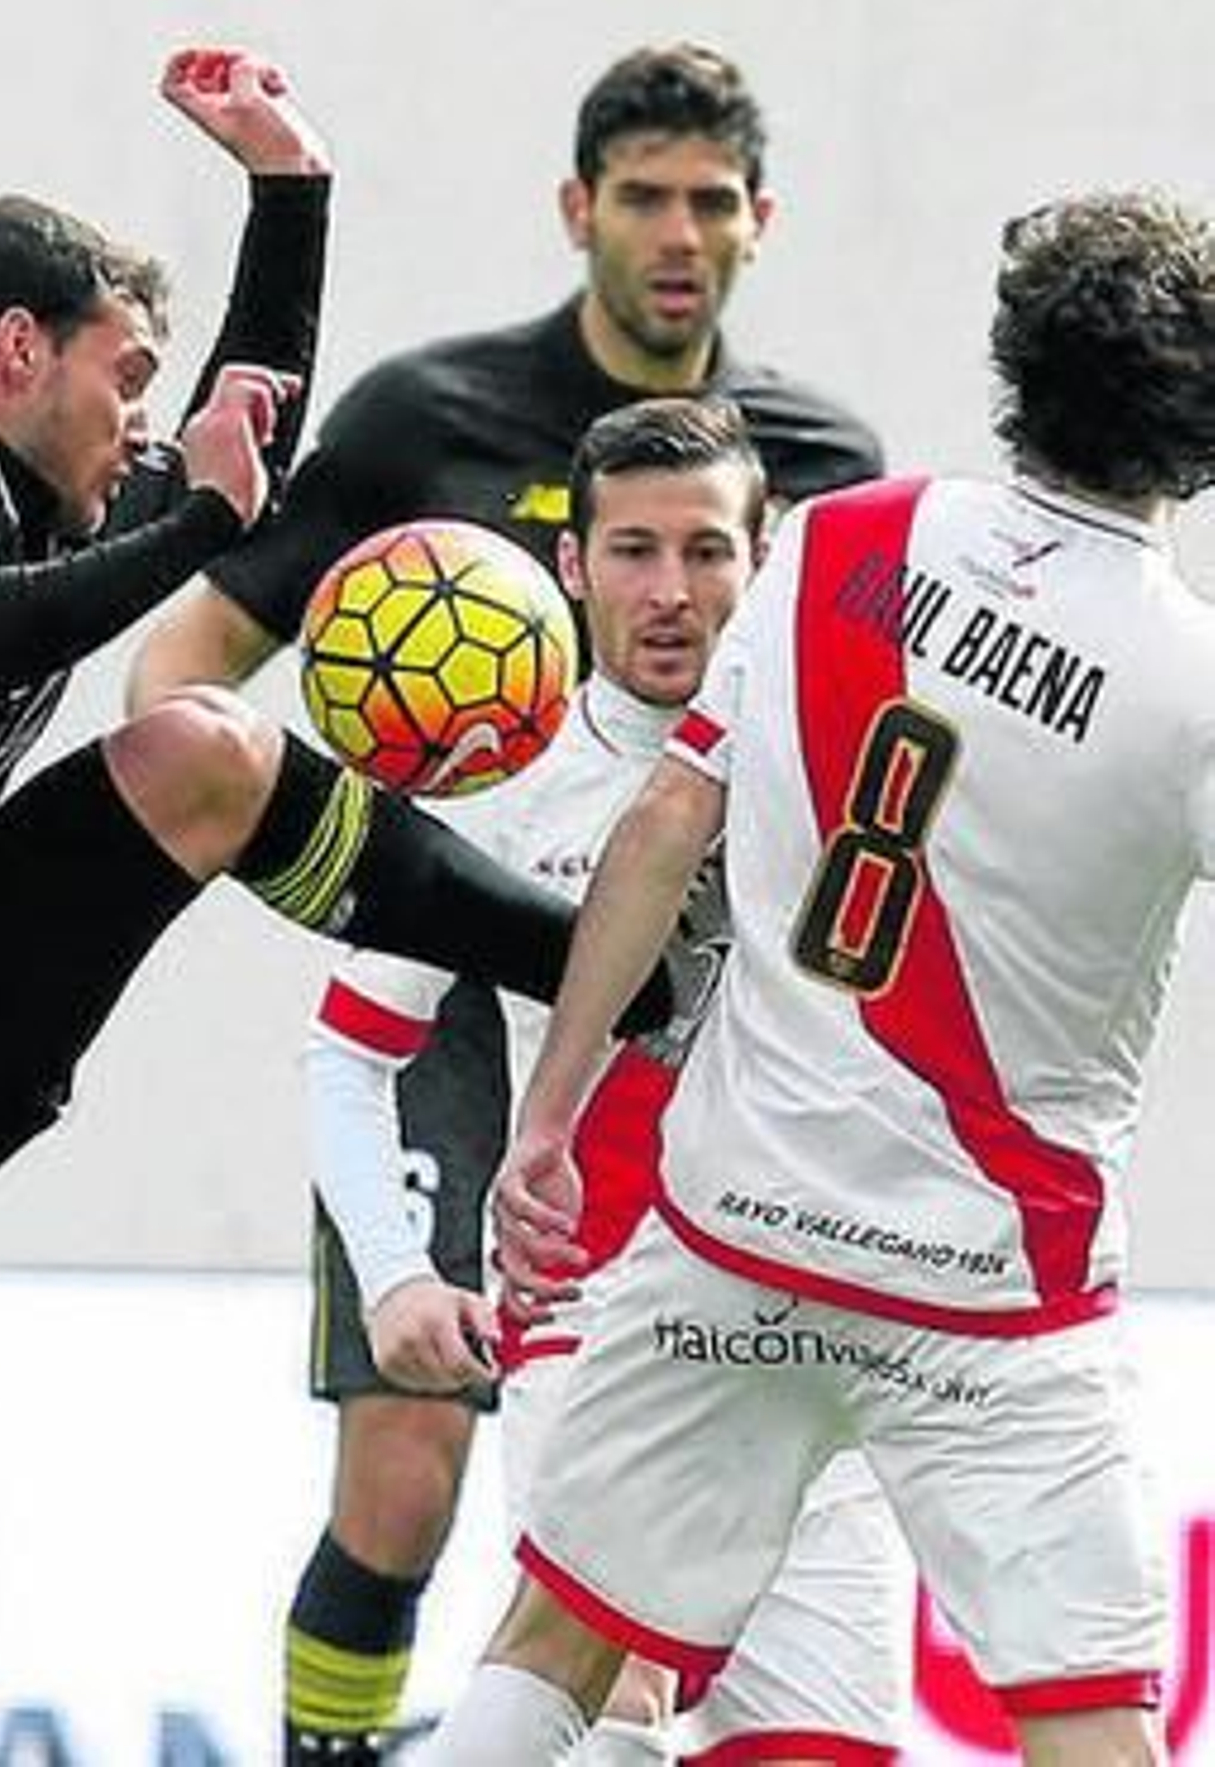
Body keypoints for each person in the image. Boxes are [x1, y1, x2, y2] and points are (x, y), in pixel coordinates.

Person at [0, 49, 680, 1767]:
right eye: (123, 378)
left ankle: (629, 981)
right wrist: (191, 527)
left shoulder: (50, 501)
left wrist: (294, 193)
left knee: (203, 751)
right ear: (15, 351)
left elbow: (240, 445)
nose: (143, 421)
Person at [126, 40, 884, 1766]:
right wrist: (321, 859)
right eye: (645, 199)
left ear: (759, 223)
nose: (677, 234)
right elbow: (189, 664)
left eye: (709, 201)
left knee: (699, 1639)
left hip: (708, 1068)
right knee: (408, 1464)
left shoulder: (821, 455)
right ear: (578, 210)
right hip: (465, 967)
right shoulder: (429, 416)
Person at [423, 187, 1215, 1766]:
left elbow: (666, 821)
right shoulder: (1187, 681)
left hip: (739, 1235)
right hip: (988, 1294)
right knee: (1086, 1720)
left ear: (1014, 365)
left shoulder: (847, 539)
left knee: (555, 1638)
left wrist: (547, 1115)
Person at [305, 397, 913, 1765]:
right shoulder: (495, 785)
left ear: (763, 557)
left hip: (823, 1350)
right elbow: (351, 1048)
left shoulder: (845, 764)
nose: (670, 592)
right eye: (634, 552)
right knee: (613, 1710)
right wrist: (395, 1272)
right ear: (572, 566)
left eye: (705, 551)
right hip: (602, 1337)